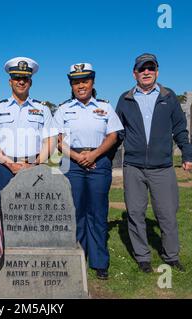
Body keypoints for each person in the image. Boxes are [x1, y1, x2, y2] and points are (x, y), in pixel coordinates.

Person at [115, 53, 192, 273]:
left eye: (150, 68)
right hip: (133, 167)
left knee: (167, 214)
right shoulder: (125, 99)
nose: (146, 72)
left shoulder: (169, 97)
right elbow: (118, 132)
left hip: (162, 168)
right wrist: (104, 156)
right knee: (135, 213)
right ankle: (143, 257)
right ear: (135, 73)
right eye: (142, 69)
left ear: (157, 71)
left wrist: (188, 154)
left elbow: (180, 128)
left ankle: (171, 256)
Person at [54, 63, 123, 280]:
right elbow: (57, 139)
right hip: (72, 163)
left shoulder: (105, 107)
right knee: (74, 212)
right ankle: (76, 257)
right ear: (71, 85)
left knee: (97, 212)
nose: (81, 85)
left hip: (99, 162)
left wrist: (93, 156)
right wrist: (77, 157)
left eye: (85, 80)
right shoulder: (63, 109)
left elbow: (113, 135)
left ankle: (99, 261)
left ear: (92, 82)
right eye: (76, 82)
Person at [0, 57, 57, 203]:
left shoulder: (43, 109)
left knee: (34, 215)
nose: (21, 82)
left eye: (25, 78)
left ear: (31, 82)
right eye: (17, 78)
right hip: (5, 168)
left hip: (35, 167)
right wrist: (10, 164)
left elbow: (51, 141)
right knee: (7, 215)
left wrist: (33, 165)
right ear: (10, 81)